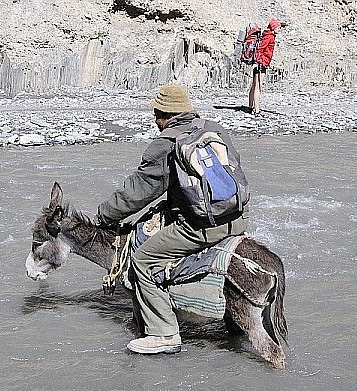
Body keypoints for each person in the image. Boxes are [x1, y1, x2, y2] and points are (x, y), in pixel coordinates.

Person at [94, 84, 249, 354]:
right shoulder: (213, 129)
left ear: (161, 115)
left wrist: (102, 216)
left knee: (142, 260)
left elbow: (136, 193)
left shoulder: (166, 144)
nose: (156, 122)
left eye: (156, 116)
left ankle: (163, 333)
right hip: (237, 218)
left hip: (201, 227)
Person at [248, 18, 281, 116]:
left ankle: (250, 107)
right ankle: (257, 111)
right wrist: (259, 61)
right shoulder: (269, 37)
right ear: (273, 27)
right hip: (261, 63)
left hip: (258, 62)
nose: (280, 29)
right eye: (278, 27)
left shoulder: (266, 35)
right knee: (258, 87)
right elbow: (260, 49)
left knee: (254, 86)